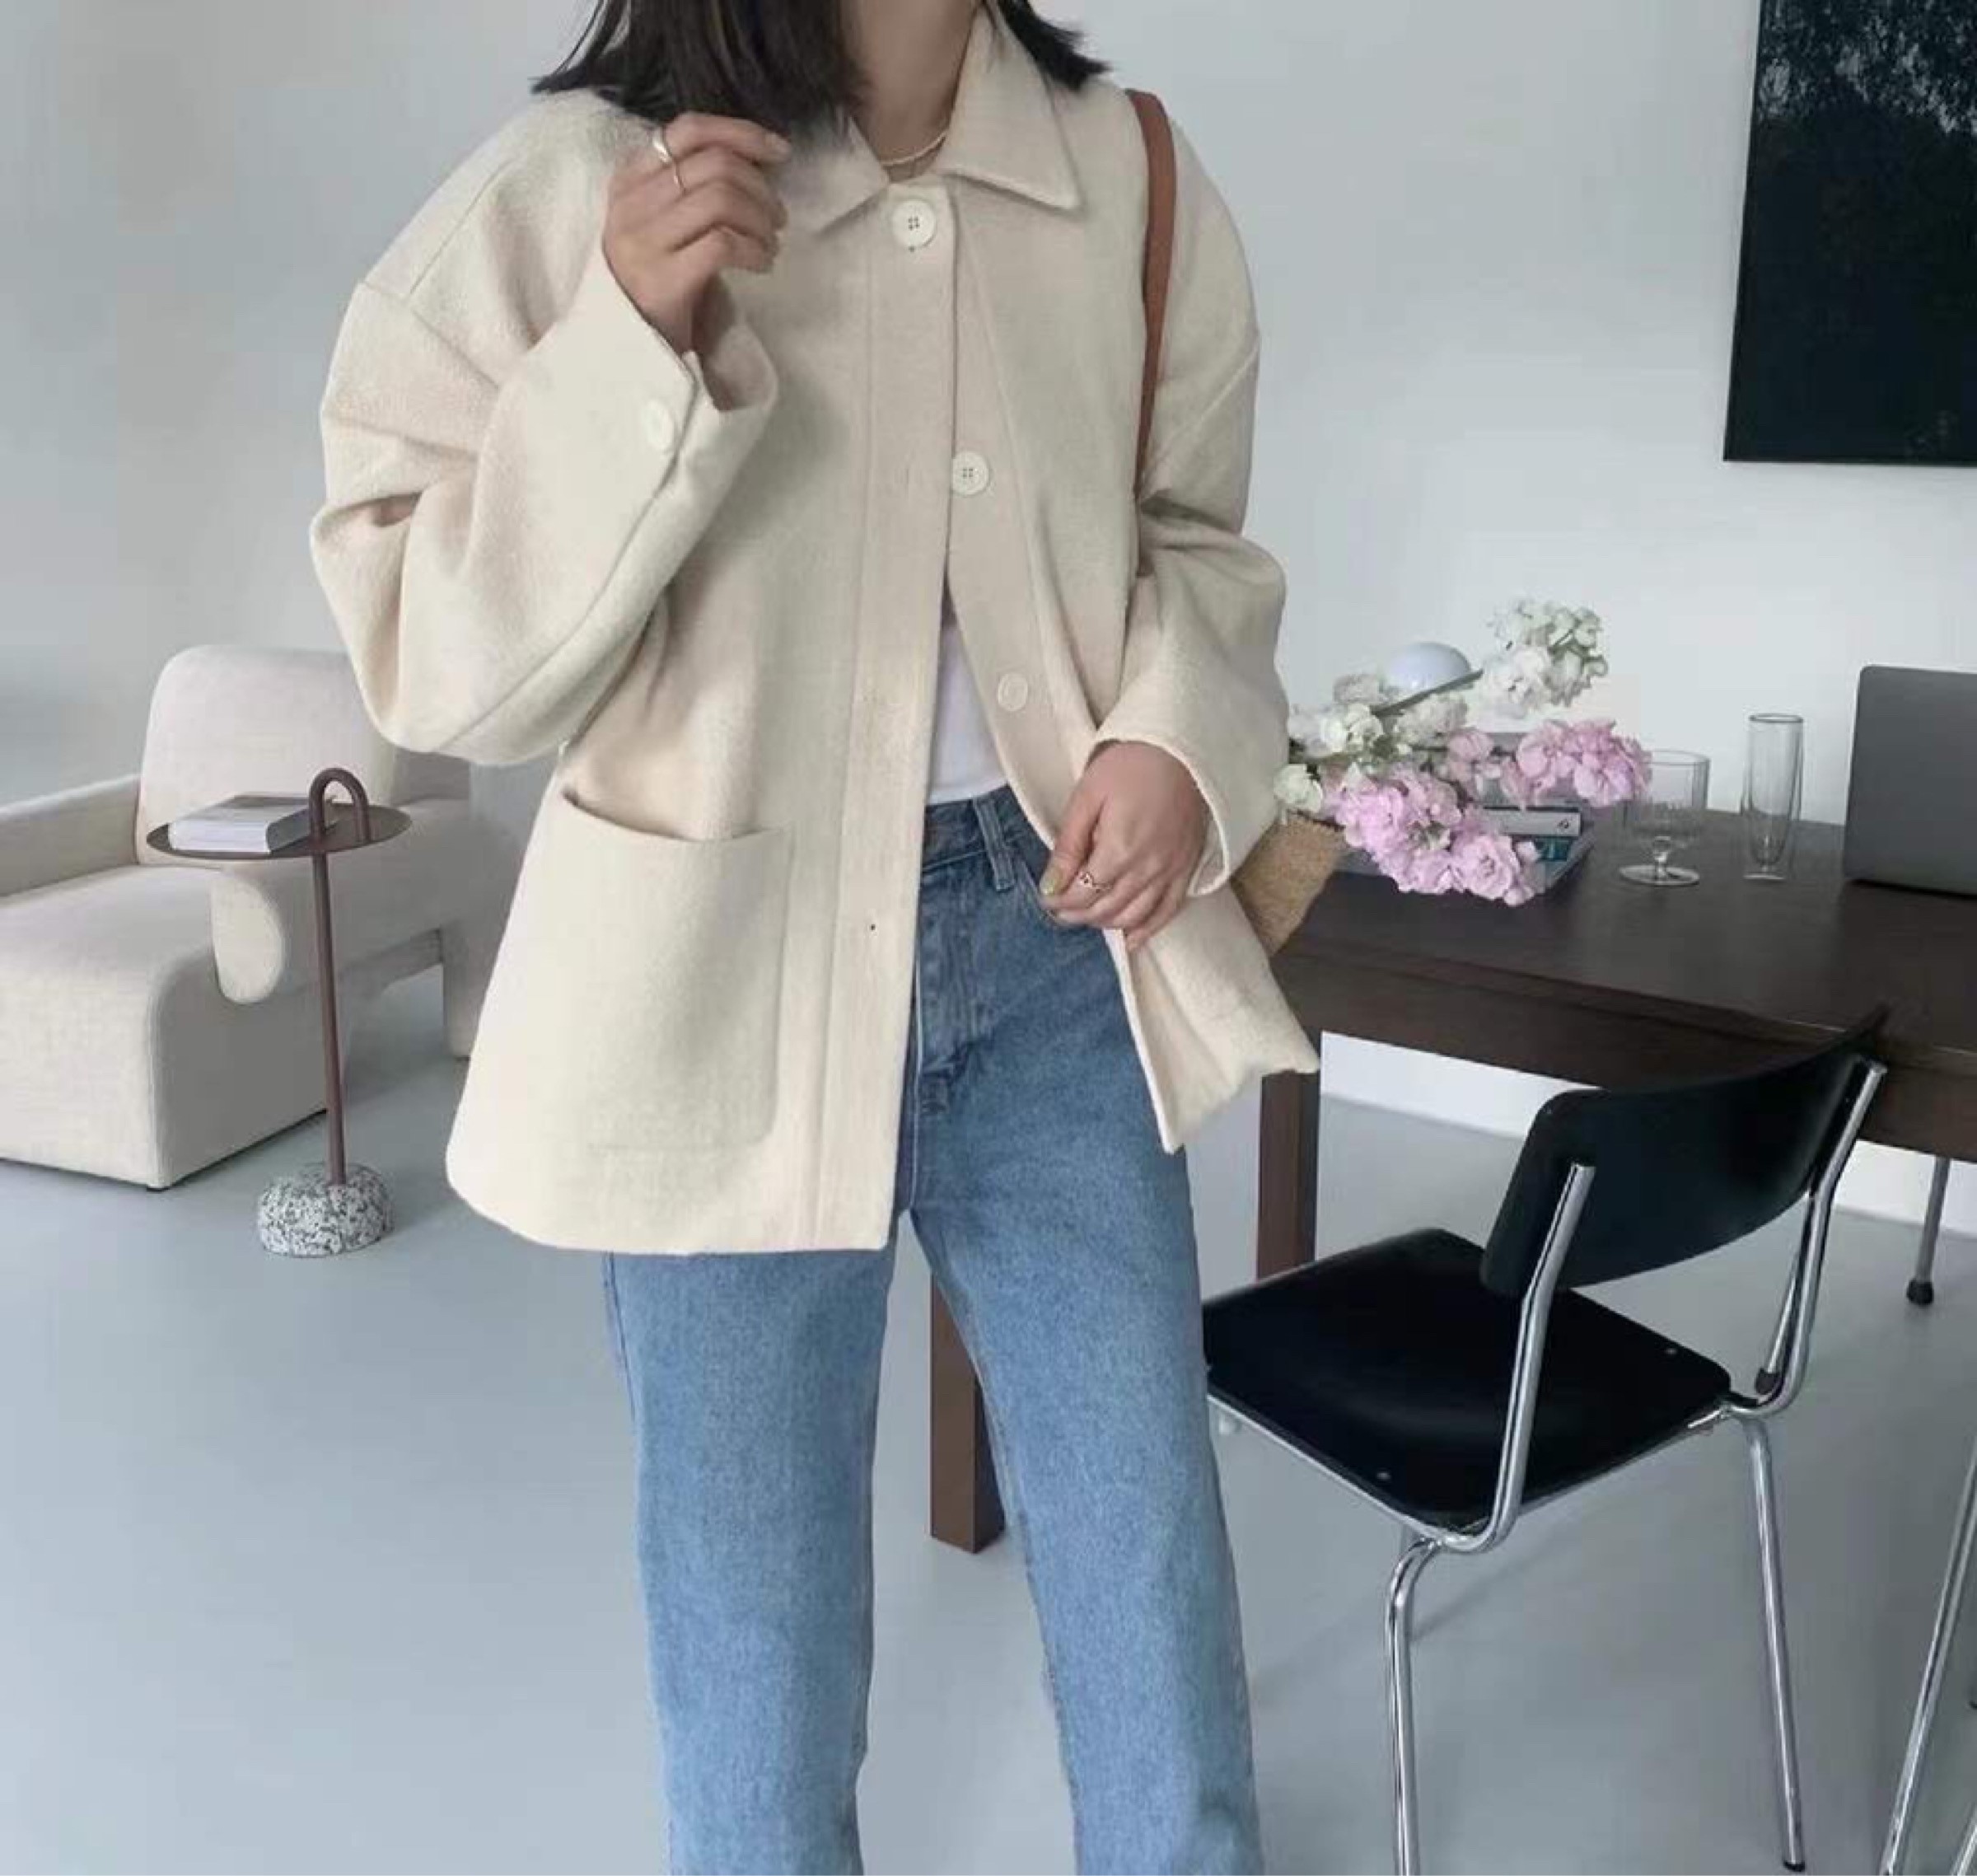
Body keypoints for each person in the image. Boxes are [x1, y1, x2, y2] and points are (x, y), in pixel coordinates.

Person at [308, 0, 1318, 1868]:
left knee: (1146, 1554)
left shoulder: (1130, 174)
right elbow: (427, 652)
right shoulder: (586, 176)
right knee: (753, 1635)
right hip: (720, 979)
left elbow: (1196, 538)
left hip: (1059, 950)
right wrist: (628, 340)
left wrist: (1174, 735)